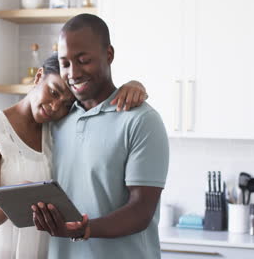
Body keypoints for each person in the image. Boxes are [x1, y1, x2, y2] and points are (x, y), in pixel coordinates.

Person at [0, 53, 148, 258]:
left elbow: (101, 108)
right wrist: (21, 193)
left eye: (66, 105)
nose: (55, 107)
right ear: (39, 77)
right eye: (54, 92)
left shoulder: (56, 129)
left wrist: (135, 85)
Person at [31, 14, 169, 259]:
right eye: (65, 63)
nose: (73, 72)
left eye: (83, 60)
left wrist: (85, 229)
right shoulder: (57, 120)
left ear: (109, 55)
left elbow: (141, 210)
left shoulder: (141, 120)